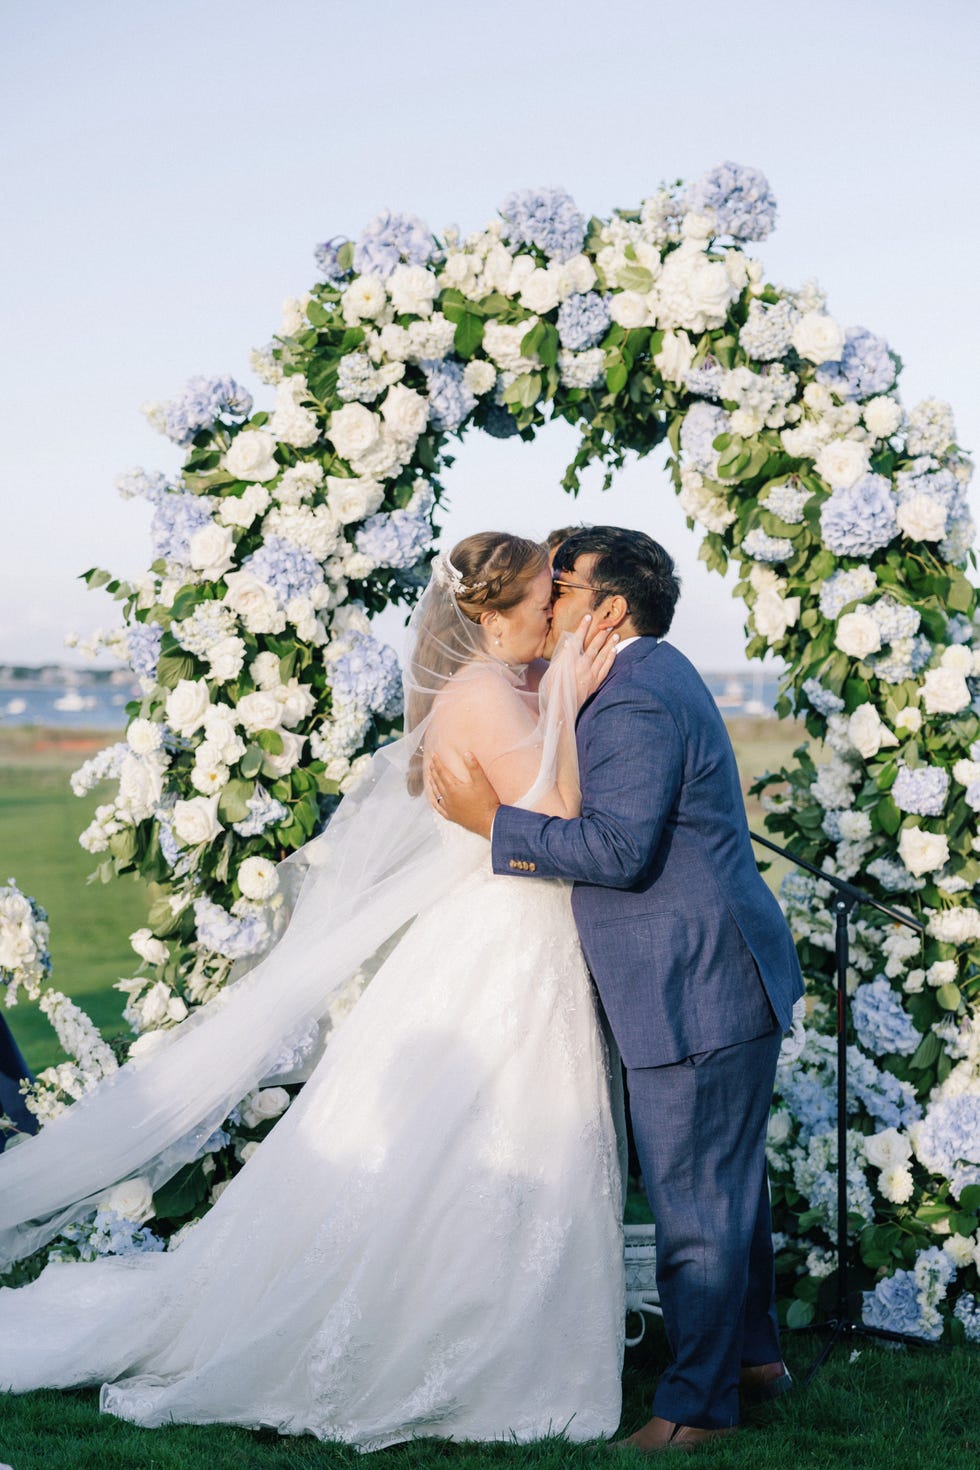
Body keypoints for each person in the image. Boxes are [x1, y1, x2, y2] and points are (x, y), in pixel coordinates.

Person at [0, 533, 628, 1449]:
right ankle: (466, 1343)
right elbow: (568, 819)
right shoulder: (489, 697)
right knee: (495, 1131)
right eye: (540, 601)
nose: (552, 615)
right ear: (491, 616)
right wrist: (573, 693)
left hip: (508, 939)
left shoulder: (490, 690)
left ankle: (512, 1332)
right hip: (504, 942)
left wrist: (556, 688)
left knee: (503, 1135)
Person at [429, 526, 805, 1453]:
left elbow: (615, 849)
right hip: (711, 970)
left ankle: (693, 1409)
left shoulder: (633, 696)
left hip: (692, 982)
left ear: (608, 606)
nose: (547, 596)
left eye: (564, 583)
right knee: (729, 1191)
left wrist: (494, 825)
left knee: (694, 1208)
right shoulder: (643, 674)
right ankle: (752, 1359)